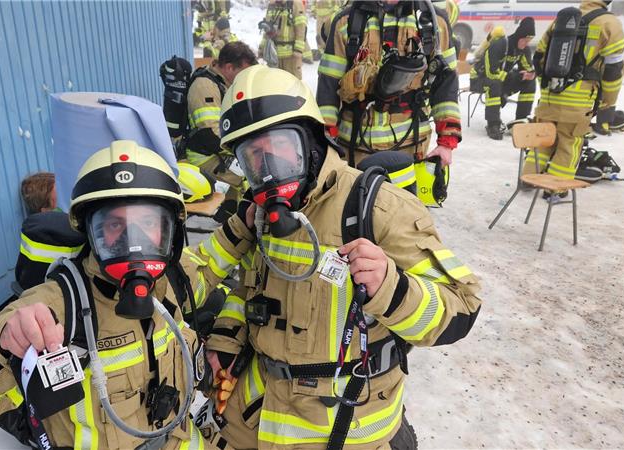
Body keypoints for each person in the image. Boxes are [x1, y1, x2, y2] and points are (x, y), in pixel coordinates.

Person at [202, 65, 482, 449]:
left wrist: (390, 287)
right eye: (254, 157)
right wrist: (227, 338)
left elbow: (462, 309)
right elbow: (250, 289)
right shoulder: (262, 216)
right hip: (255, 413)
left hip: (343, 425)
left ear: (312, 139)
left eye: (280, 147)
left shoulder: (377, 208)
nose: (269, 170)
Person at [0, 141, 243, 450]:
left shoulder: (171, 279)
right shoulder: (56, 306)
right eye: (114, 226)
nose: (133, 241)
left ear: (170, 232)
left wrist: (244, 225)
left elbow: (208, 268)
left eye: (148, 223)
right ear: (90, 233)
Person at [316, 0, 461, 202]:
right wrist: (327, 145)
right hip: (355, 149)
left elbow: (446, 85)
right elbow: (327, 88)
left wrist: (447, 142)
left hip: (411, 147)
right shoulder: (346, 21)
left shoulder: (433, 22)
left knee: (406, 216)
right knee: (356, 216)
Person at [524, 0, 624, 186]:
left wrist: (547, 88)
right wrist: (608, 102)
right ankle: (555, 189)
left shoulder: (563, 19)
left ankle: (528, 180)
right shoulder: (611, 24)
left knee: (542, 141)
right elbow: (614, 70)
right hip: (578, 104)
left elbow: (539, 56)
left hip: (549, 97)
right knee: (569, 145)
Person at [185, 41, 257, 222]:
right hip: (204, 155)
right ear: (229, 67)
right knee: (250, 176)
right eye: (243, 72)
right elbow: (210, 133)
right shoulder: (205, 87)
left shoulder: (221, 82)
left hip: (218, 149)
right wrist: (244, 152)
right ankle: (244, 227)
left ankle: (228, 216)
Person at [470, 18, 537, 140]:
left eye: (529, 41)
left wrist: (530, 74)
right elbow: (491, 73)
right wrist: (516, 76)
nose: (526, 43)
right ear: (519, 36)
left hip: (501, 80)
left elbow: (527, 68)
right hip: (479, 78)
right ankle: (493, 124)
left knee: (530, 82)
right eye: (525, 40)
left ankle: (520, 120)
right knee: (494, 84)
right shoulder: (500, 44)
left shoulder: (523, 50)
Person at [258, 0, 307, 79]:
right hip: (273, 55)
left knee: (292, 83)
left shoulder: (295, 4)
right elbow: (266, 31)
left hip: (291, 56)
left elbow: (301, 29)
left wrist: (298, 50)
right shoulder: (271, 5)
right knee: (275, 83)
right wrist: (261, 48)